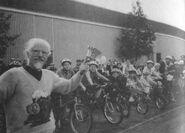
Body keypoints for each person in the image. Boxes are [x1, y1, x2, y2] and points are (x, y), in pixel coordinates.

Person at [0, 38, 88, 133]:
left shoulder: (49, 75)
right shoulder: (13, 75)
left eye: (44, 53)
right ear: (27, 53)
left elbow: (69, 86)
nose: (40, 55)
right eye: (35, 51)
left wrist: (80, 73)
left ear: (48, 56)